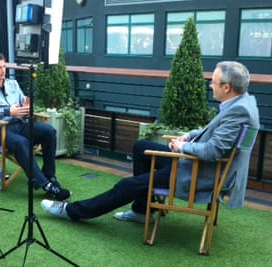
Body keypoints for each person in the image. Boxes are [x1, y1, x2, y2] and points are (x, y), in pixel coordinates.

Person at [41, 61, 260, 223]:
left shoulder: (238, 111)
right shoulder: (245, 103)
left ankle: (73, 211)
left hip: (197, 174)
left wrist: (182, 146)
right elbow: (211, 132)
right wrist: (189, 135)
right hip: (197, 166)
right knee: (140, 147)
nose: (210, 86)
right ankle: (141, 209)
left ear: (227, 87)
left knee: (127, 184)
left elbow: (213, 151)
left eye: (213, 82)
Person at [0, 53, 71, 200]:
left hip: (20, 124)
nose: (3, 71)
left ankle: (49, 176)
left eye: (4, 67)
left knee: (49, 131)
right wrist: (7, 111)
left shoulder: (13, 84)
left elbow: (23, 103)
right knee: (20, 142)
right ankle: (45, 185)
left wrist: (27, 106)